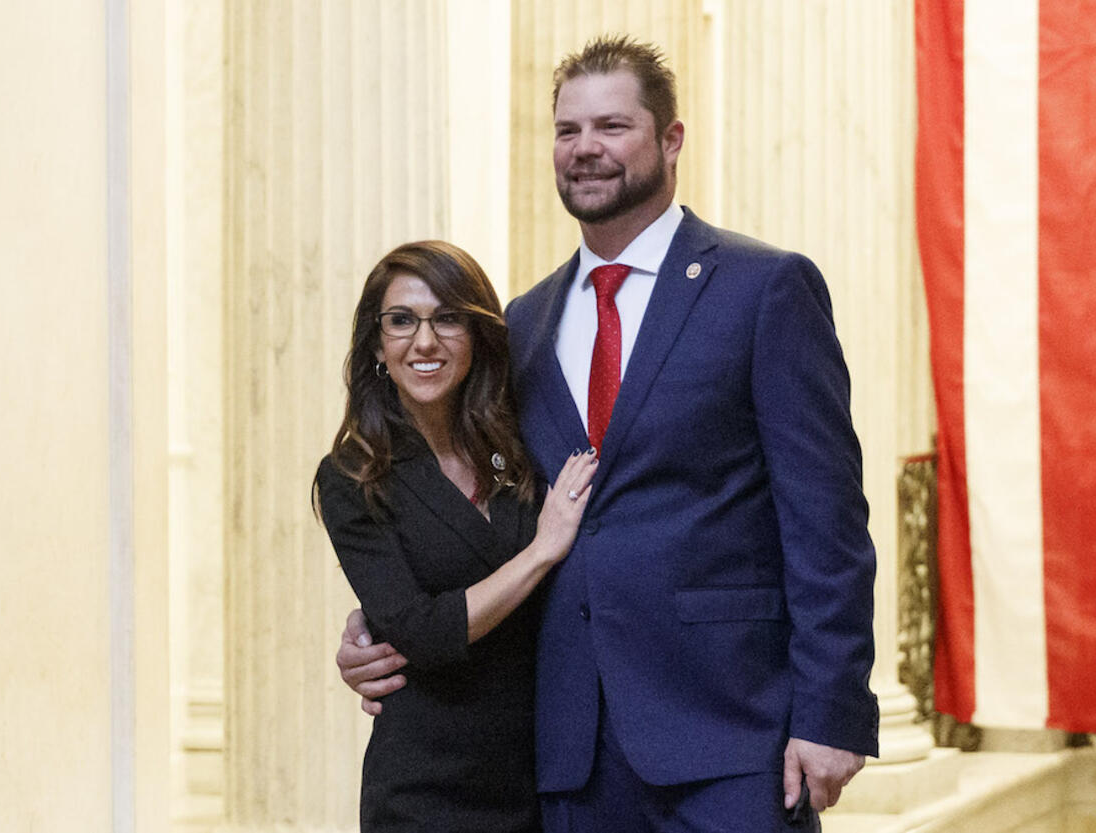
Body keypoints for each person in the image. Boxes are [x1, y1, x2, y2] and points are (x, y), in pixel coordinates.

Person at [339, 36, 879, 832]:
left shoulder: (764, 290)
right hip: (570, 751)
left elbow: (826, 522)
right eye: (567, 131)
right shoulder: (519, 326)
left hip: (731, 735)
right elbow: (479, 502)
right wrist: (388, 620)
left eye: (612, 126)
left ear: (671, 139)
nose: (585, 149)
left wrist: (831, 710)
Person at [314, 240, 599, 832]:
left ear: (477, 336)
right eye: (401, 321)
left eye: (447, 319)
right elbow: (421, 632)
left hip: (539, 779)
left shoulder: (512, 448)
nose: (425, 341)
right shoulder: (354, 475)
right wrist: (543, 550)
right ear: (376, 344)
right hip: (427, 790)